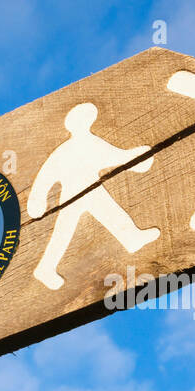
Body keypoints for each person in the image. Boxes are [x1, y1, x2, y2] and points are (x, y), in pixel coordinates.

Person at [29, 102, 160, 289]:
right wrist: (37, 200)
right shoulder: (66, 149)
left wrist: (137, 157)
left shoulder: (92, 142)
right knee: (63, 232)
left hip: (91, 190)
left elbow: (116, 157)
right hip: (72, 196)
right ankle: (45, 268)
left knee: (112, 214)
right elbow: (46, 176)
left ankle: (132, 237)